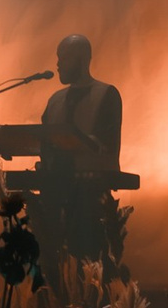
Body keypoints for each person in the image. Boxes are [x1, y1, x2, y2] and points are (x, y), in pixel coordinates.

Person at [36, 33, 124, 286]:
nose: (58, 64)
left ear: (82, 59)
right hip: (55, 188)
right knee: (50, 253)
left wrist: (70, 145)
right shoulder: (55, 100)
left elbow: (106, 143)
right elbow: (43, 139)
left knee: (86, 258)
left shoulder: (106, 94)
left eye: (63, 57)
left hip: (89, 192)